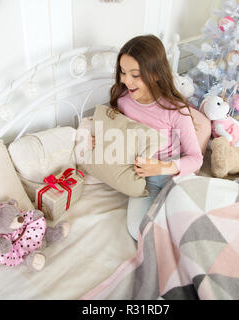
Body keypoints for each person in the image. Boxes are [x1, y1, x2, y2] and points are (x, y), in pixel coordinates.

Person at [92, 34, 203, 241]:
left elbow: (196, 158)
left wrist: (164, 167)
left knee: (192, 226)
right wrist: (97, 138)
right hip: (143, 179)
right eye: (123, 73)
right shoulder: (123, 100)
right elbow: (116, 128)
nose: (125, 80)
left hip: (174, 173)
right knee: (139, 230)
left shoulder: (175, 110)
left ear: (156, 74)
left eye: (135, 75)